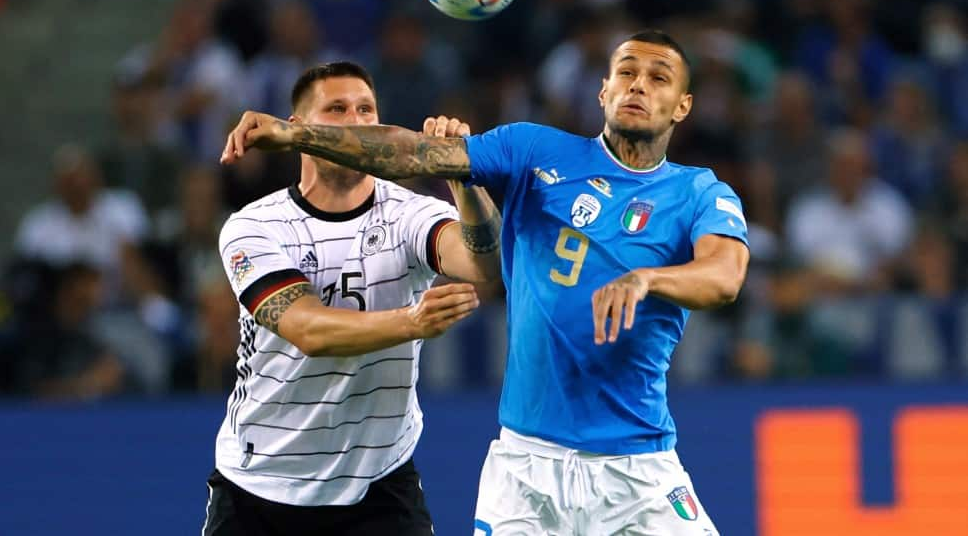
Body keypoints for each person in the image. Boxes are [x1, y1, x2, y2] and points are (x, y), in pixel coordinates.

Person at [222, 31, 751, 534]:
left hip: (639, 467)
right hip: (527, 467)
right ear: (603, 90)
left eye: (659, 78)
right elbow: (411, 151)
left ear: (683, 105)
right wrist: (294, 134)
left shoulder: (698, 192)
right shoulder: (533, 151)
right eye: (626, 72)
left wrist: (646, 280)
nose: (638, 85)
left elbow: (725, 277)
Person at [204, 61, 502, 535]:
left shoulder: (410, 214)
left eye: (367, 109)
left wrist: (462, 174)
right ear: (297, 131)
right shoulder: (253, 226)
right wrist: (411, 322)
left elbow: (483, 263)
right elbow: (308, 330)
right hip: (259, 489)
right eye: (338, 109)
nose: (358, 122)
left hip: (378, 487)